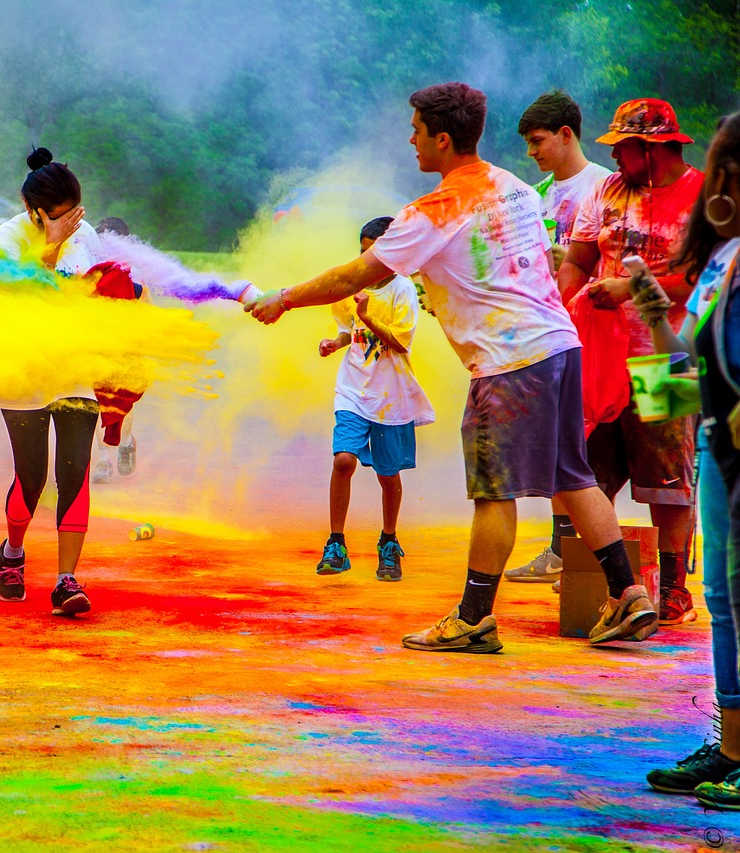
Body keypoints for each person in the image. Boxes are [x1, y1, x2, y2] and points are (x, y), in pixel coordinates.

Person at [247, 82, 653, 652]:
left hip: (510, 363)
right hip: (560, 346)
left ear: (442, 138)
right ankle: (628, 594)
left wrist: (283, 298)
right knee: (571, 476)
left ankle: (473, 618)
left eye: (416, 131)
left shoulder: (435, 209)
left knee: (494, 491)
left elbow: (357, 275)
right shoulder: (514, 188)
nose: (410, 140)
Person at [556, 98, 705, 625]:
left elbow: (701, 278)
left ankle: (673, 591)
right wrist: (564, 306)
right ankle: (615, 586)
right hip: (602, 359)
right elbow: (577, 259)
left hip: (668, 357)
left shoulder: (702, 196)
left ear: (654, 146)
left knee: (668, 481)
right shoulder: (607, 190)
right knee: (585, 472)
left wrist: (628, 287)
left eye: (623, 146)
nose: (614, 155)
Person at [631, 111, 740, 808]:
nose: (716, 180)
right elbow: (688, 364)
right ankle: (731, 746)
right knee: (724, 602)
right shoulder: (725, 255)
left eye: (724, 166)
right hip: (718, 443)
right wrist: (644, 300)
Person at [506, 90, 612, 585]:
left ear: (566, 135)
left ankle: (605, 562)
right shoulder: (533, 195)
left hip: (597, 335)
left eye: (538, 141)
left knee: (591, 446)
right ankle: (559, 548)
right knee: (556, 443)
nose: (532, 152)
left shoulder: (604, 188)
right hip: (547, 334)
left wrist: (564, 264)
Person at [0, 147, 100, 616]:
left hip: (74, 369)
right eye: (59, 218)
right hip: (22, 370)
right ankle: (13, 553)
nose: (71, 223)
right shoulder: (8, 237)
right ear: (33, 211)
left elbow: (93, 293)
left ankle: (66, 580)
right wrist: (51, 246)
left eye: (75, 214)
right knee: (32, 478)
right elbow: (17, 299)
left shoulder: (86, 233)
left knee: (74, 473)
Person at [315, 216, 434, 581]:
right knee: (344, 461)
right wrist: (336, 342)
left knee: (388, 474)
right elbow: (347, 331)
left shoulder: (402, 290)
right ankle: (336, 543)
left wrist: (366, 317)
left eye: (375, 253)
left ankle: (388, 541)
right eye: (363, 252)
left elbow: (401, 342)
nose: (366, 261)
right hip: (352, 387)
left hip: (390, 396)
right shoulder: (352, 285)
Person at [91, 215, 138, 484]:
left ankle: (127, 441)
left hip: (126, 348)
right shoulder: (91, 268)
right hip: (96, 347)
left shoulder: (135, 274)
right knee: (97, 403)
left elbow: (145, 310)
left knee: (121, 404)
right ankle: (104, 460)